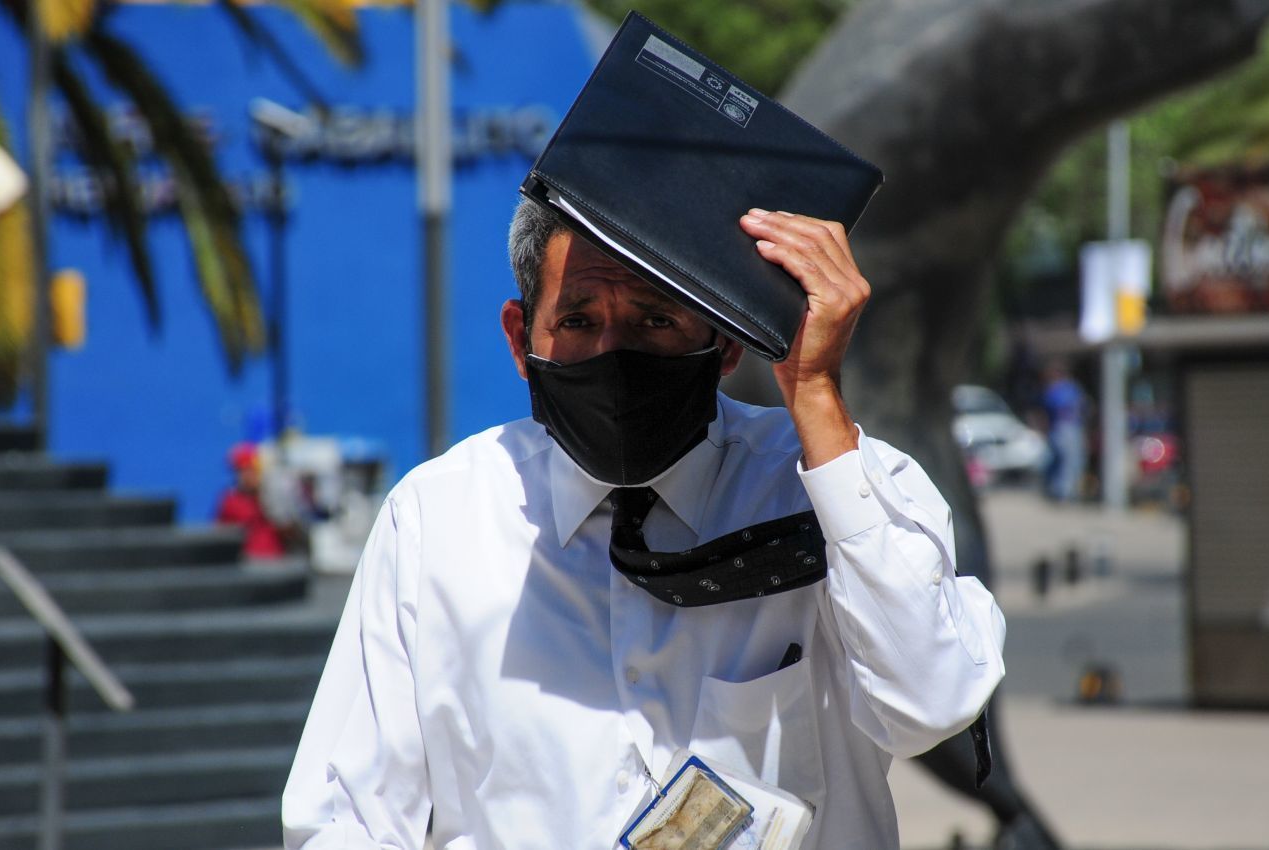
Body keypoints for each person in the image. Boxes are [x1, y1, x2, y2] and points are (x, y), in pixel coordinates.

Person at [281, 200, 1006, 849]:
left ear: (724, 342)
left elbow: (930, 703)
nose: (614, 353)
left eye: (655, 320)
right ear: (520, 340)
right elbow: (346, 819)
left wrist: (814, 393)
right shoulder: (437, 521)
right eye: (578, 320)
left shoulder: (840, 488)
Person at [215, 442, 287, 558]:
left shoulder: (275, 497)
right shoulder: (230, 502)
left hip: (277, 563)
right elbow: (220, 538)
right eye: (242, 470)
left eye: (252, 470)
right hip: (248, 566)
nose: (248, 475)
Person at [1040, 360, 1088, 502]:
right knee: (1066, 462)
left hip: (1067, 428)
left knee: (1069, 462)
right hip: (1065, 428)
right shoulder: (1064, 389)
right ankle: (1063, 492)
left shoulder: (1062, 389)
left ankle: (1064, 492)